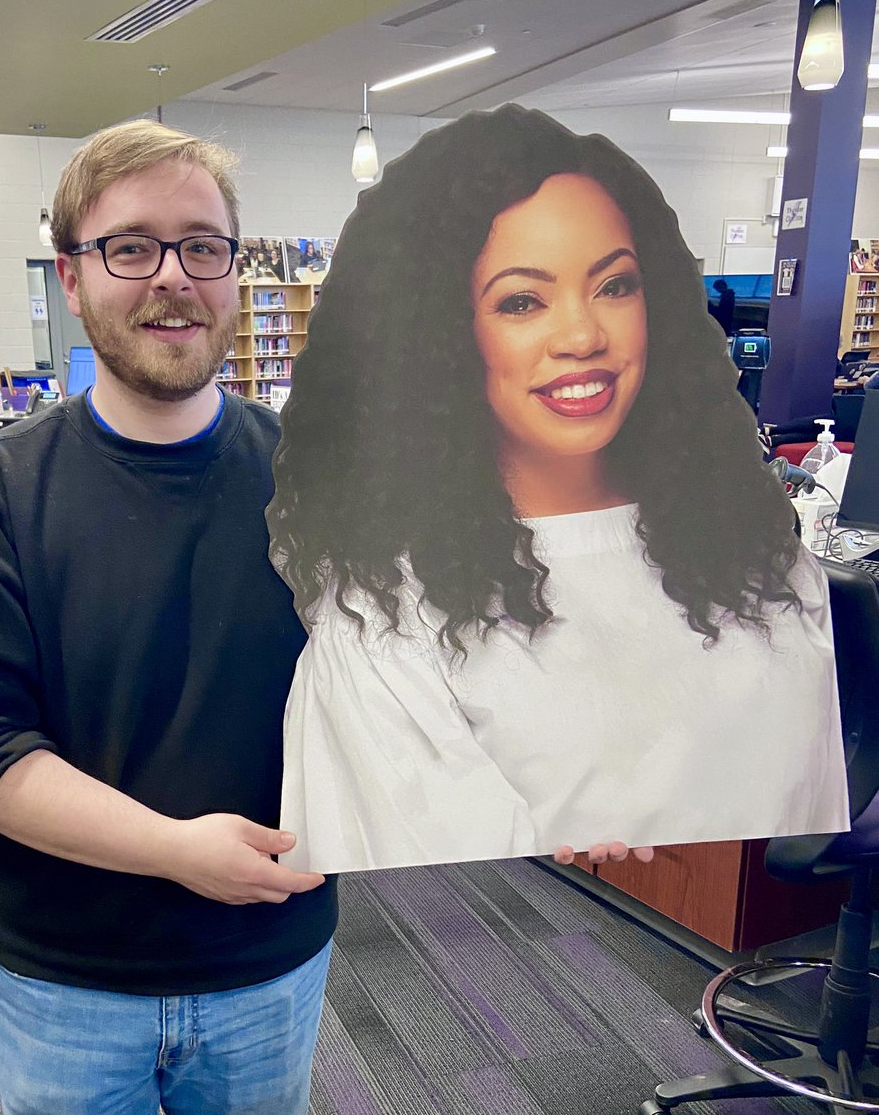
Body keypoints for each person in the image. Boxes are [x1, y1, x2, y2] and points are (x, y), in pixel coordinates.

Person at [268, 104, 848, 874]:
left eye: (614, 286)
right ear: (441, 337)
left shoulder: (761, 559)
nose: (582, 336)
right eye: (521, 301)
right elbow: (452, 924)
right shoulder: (387, 622)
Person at [0, 119, 338, 1115]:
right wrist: (176, 851)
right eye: (131, 247)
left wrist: (567, 785)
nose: (172, 276)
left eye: (202, 245)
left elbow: (422, 673)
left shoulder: (321, 481)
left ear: (235, 270)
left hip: (270, 962)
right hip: (68, 980)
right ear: (72, 277)